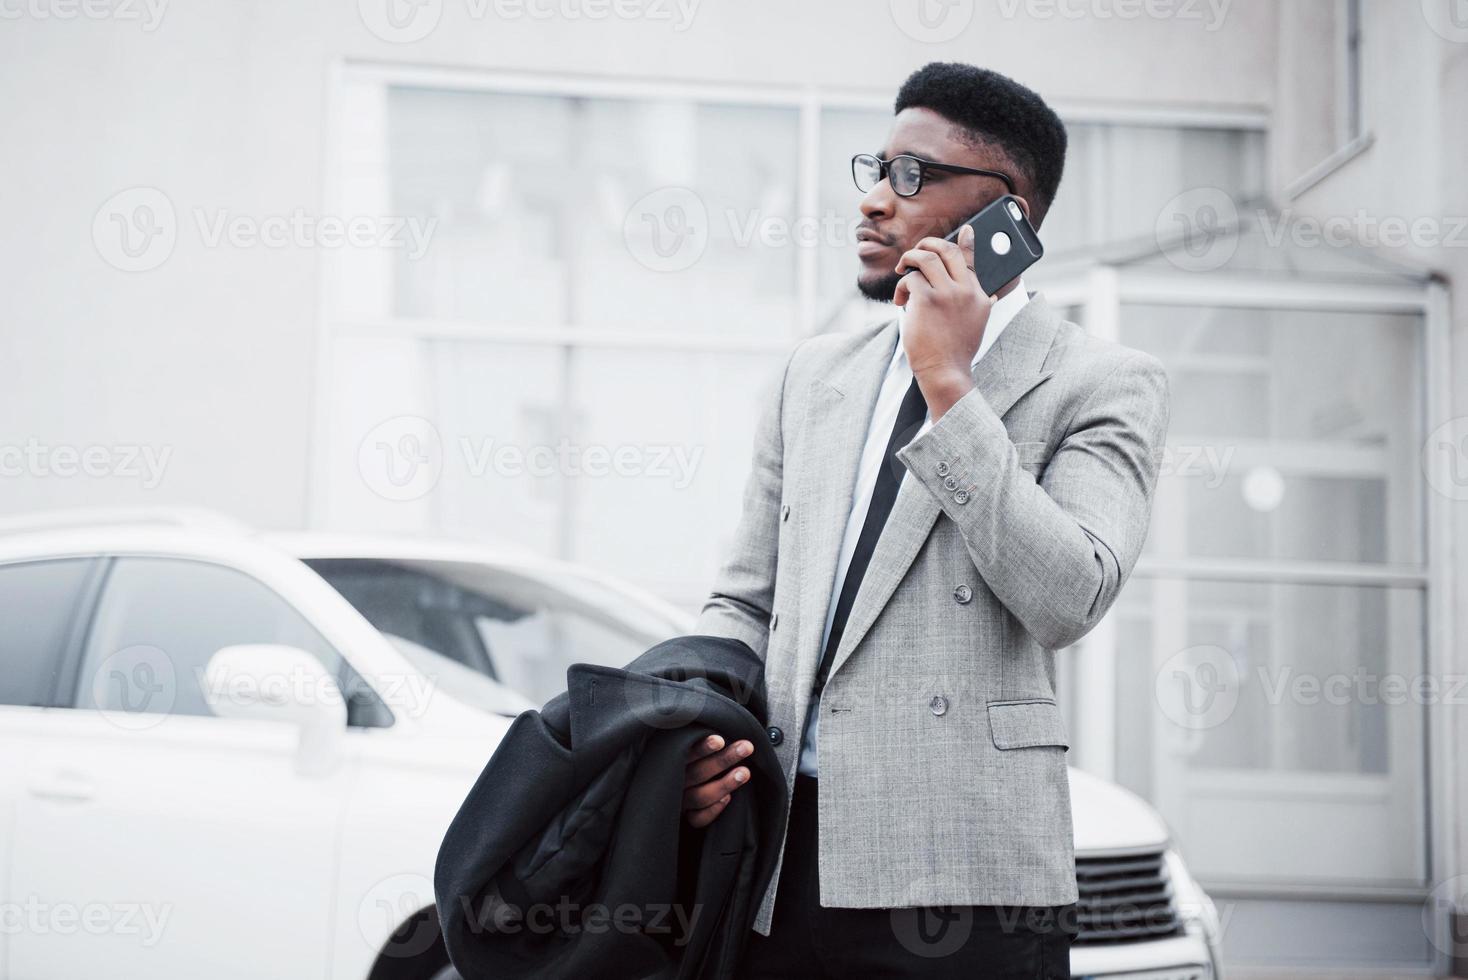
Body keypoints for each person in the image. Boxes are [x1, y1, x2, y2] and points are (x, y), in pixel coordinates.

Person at [684, 61, 1171, 978]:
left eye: (913, 176)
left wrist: (949, 383)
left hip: (969, 877)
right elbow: (744, 604)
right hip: (781, 857)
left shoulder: (1102, 380)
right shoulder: (813, 376)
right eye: (877, 168)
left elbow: (1070, 595)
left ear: (1006, 220)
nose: (874, 201)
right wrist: (698, 744)